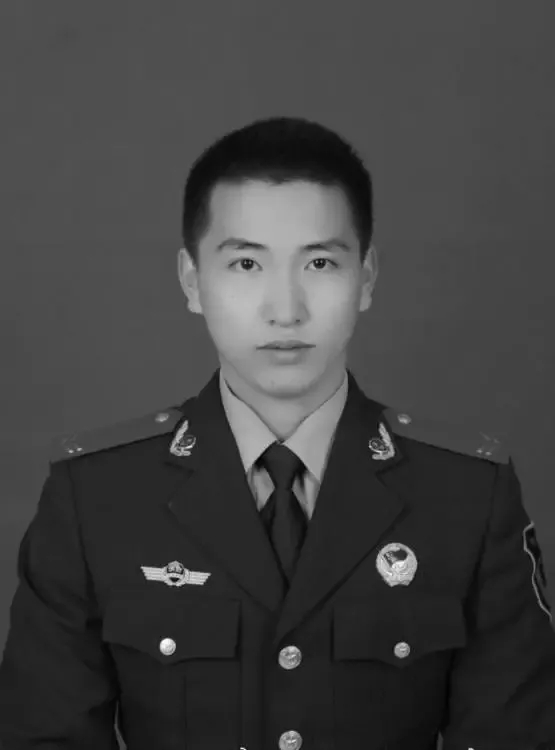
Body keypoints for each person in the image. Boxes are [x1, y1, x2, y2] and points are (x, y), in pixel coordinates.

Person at [1, 116, 554, 750]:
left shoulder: (467, 497)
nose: (285, 309)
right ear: (192, 281)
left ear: (367, 278)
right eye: (245, 263)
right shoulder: (96, 498)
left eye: (320, 262)